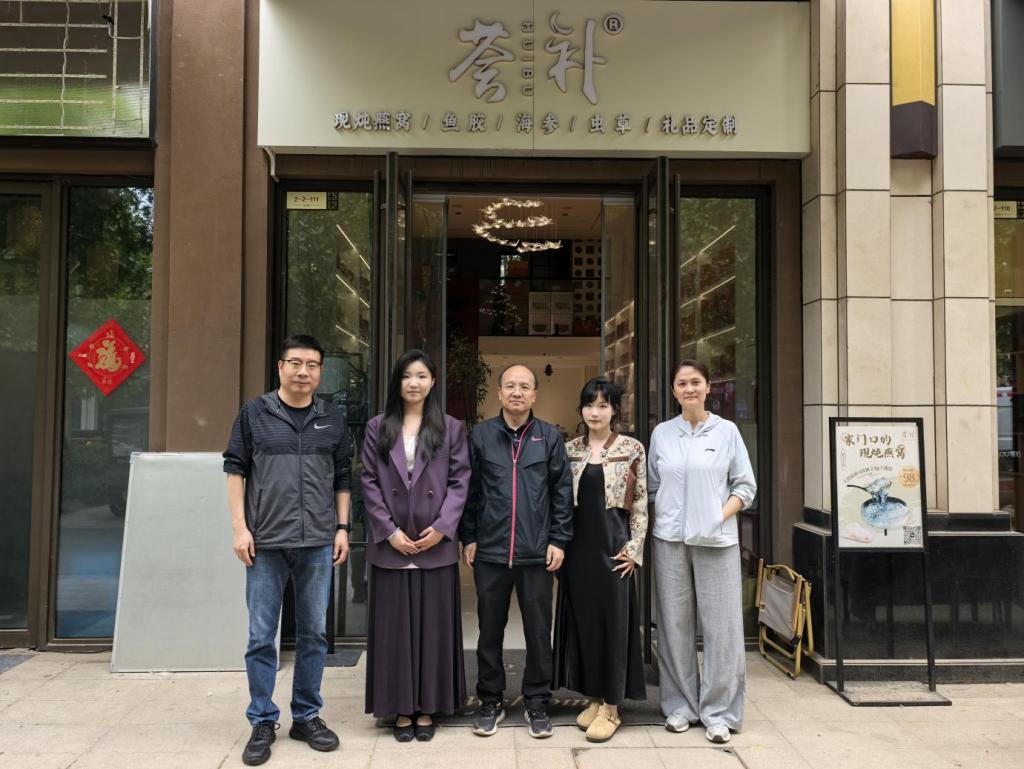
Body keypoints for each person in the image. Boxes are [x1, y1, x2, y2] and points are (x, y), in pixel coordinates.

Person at [223, 335, 352, 766]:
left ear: (320, 371)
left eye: (312, 365)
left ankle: (307, 716)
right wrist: (240, 529)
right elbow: (235, 470)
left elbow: (343, 477)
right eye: (295, 363)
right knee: (262, 636)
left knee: (314, 634)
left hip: (317, 541)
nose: (303, 371)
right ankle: (262, 719)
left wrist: (342, 528)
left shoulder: (331, 417)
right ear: (280, 367)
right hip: (265, 542)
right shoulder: (255, 413)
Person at [361, 350, 470, 742]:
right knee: (394, 630)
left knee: (432, 629)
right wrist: (388, 531)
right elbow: (369, 480)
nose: (414, 383)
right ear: (398, 381)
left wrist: (443, 528)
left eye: (421, 376)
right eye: (407, 376)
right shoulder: (378, 426)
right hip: (392, 543)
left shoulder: (450, 427)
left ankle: (428, 708)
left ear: (432, 382)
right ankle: (401, 708)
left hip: (433, 541)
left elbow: (460, 480)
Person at [460, 363, 573, 739]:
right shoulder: (481, 435)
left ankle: (537, 701)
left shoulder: (548, 437)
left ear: (534, 394)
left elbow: (561, 492)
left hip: (536, 553)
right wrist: (469, 536)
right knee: (489, 631)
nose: (517, 392)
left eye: (525, 386)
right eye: (510, 385)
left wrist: (559, 540)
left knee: (539, 632)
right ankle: (490, 700)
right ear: (499, 392)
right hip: (491, 552)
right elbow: (470, 491)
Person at [647, 359, 756, 744]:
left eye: (696, 382)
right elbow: (653, 487)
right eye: (682, 383)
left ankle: (720, 712)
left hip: (716, 542)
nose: (689, 389)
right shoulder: (662, 434)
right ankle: (680, 706)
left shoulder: (726, 432)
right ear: (673, 391)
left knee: (722, 628)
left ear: (708, 387)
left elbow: (745, 486)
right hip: (670, 542)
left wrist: (716, 517)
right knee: (674, 626)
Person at [553, 377, 648, 742]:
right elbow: (558, 502)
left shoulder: (632, 448)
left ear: (614, 410)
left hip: (614, 551)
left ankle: (612, 706)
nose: (595, 412)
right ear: (581, 409)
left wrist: (634, 550)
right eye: (589, 405)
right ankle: (594, 697)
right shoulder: (568, 450)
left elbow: (640, 503)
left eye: (603, 405)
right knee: (587, 625)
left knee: (613, 625)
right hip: (577, 552)